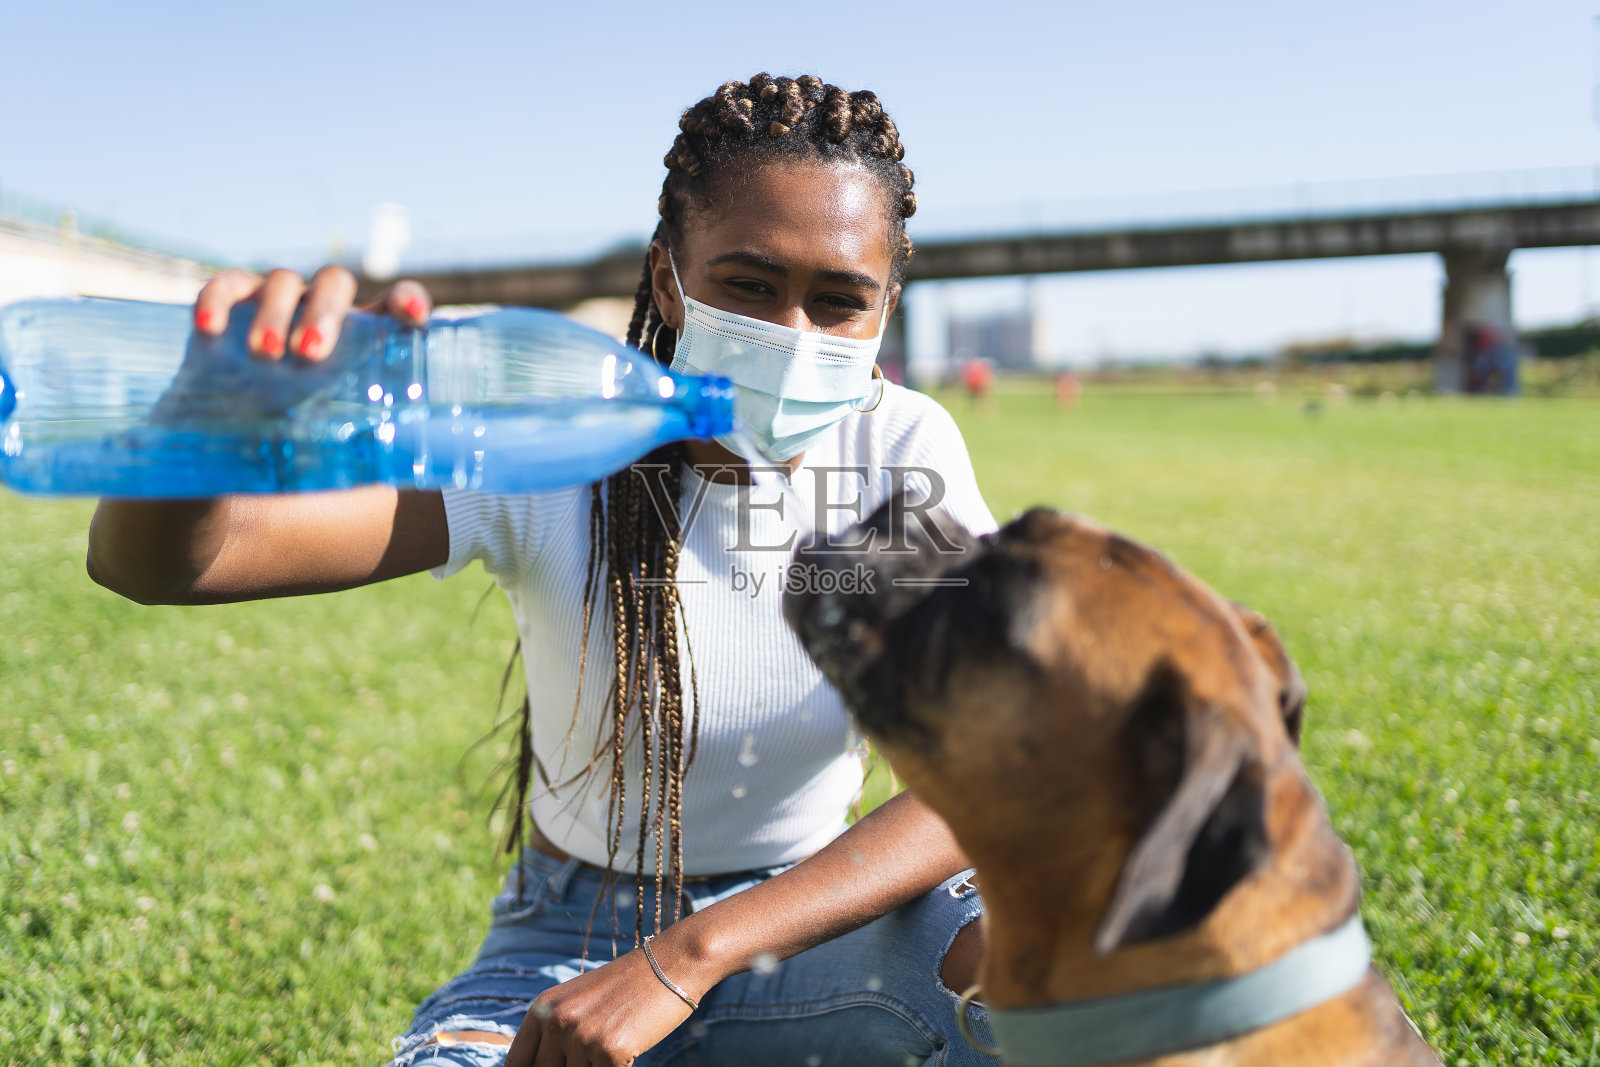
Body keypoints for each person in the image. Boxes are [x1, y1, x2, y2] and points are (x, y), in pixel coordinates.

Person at [87, 73, 1000, 1067]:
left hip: (814, 919)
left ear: (886, 309)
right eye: (748, 285)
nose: (792, 335)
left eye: (838, 301)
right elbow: (170, 564)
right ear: (667, 280)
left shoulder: (895, 452)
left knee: (1065, 965)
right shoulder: (552, 445)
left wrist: (687, 957)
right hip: (572, 939)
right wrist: (204, 429)